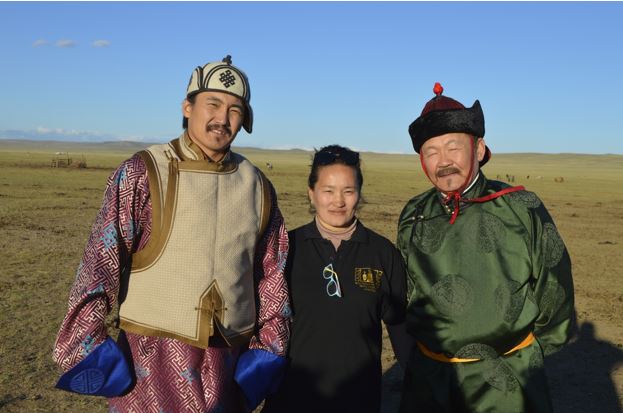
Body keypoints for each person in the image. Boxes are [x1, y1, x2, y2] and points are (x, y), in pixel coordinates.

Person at [53, 56, 291, 412]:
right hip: (150, 364)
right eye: (213, 104)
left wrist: (267, 351)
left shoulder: (257, 186)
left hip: (227, 365)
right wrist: (88, 343)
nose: (222, 118)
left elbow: (272, 275)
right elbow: (100, 261)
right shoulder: (142, 172)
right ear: (187, 107)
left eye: (235, 110)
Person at [397, 83, 575, 413]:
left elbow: (554, 284)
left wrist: (528, 355)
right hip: (431, 378)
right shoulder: (413, 213)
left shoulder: (520, 206)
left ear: (478, 149)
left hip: (507, 377)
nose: (443, 161)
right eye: (431, 152)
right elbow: (406, 290)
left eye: (453, 147)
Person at [262, 145, 408, 413]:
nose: (338, 201)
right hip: (292, 396)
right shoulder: (287, 249)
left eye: (348, 191)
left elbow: (399, 325)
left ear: (359, 193)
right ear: (312, 193)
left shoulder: (382, 253)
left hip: (358, 398)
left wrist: (419, 379)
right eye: (328, 191)